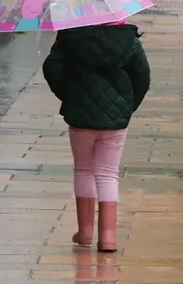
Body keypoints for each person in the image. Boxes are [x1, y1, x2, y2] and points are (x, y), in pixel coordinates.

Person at [42, 22, 151, 253]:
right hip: (116, 120)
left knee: (83, 170)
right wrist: (127, 106)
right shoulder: (129, 40)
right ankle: (108, 238)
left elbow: (52, 69)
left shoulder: (69, 37)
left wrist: (69, 95)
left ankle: (85, 233)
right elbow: (142, 77)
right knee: (108, 174)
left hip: (80, 116)